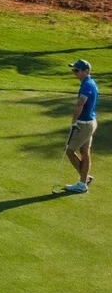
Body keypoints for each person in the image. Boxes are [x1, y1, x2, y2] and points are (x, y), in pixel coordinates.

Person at [64, 59, 98, 194]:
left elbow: (80, 104)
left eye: (77, 71)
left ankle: (82, 182)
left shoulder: (87, 85)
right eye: (74, 70)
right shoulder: (88, 83)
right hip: (90, 122)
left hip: (84, 124)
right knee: (84, 152)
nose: (74, 73)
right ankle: (84, 179)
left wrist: (74, 122)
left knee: (69, 150)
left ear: (86, 71)